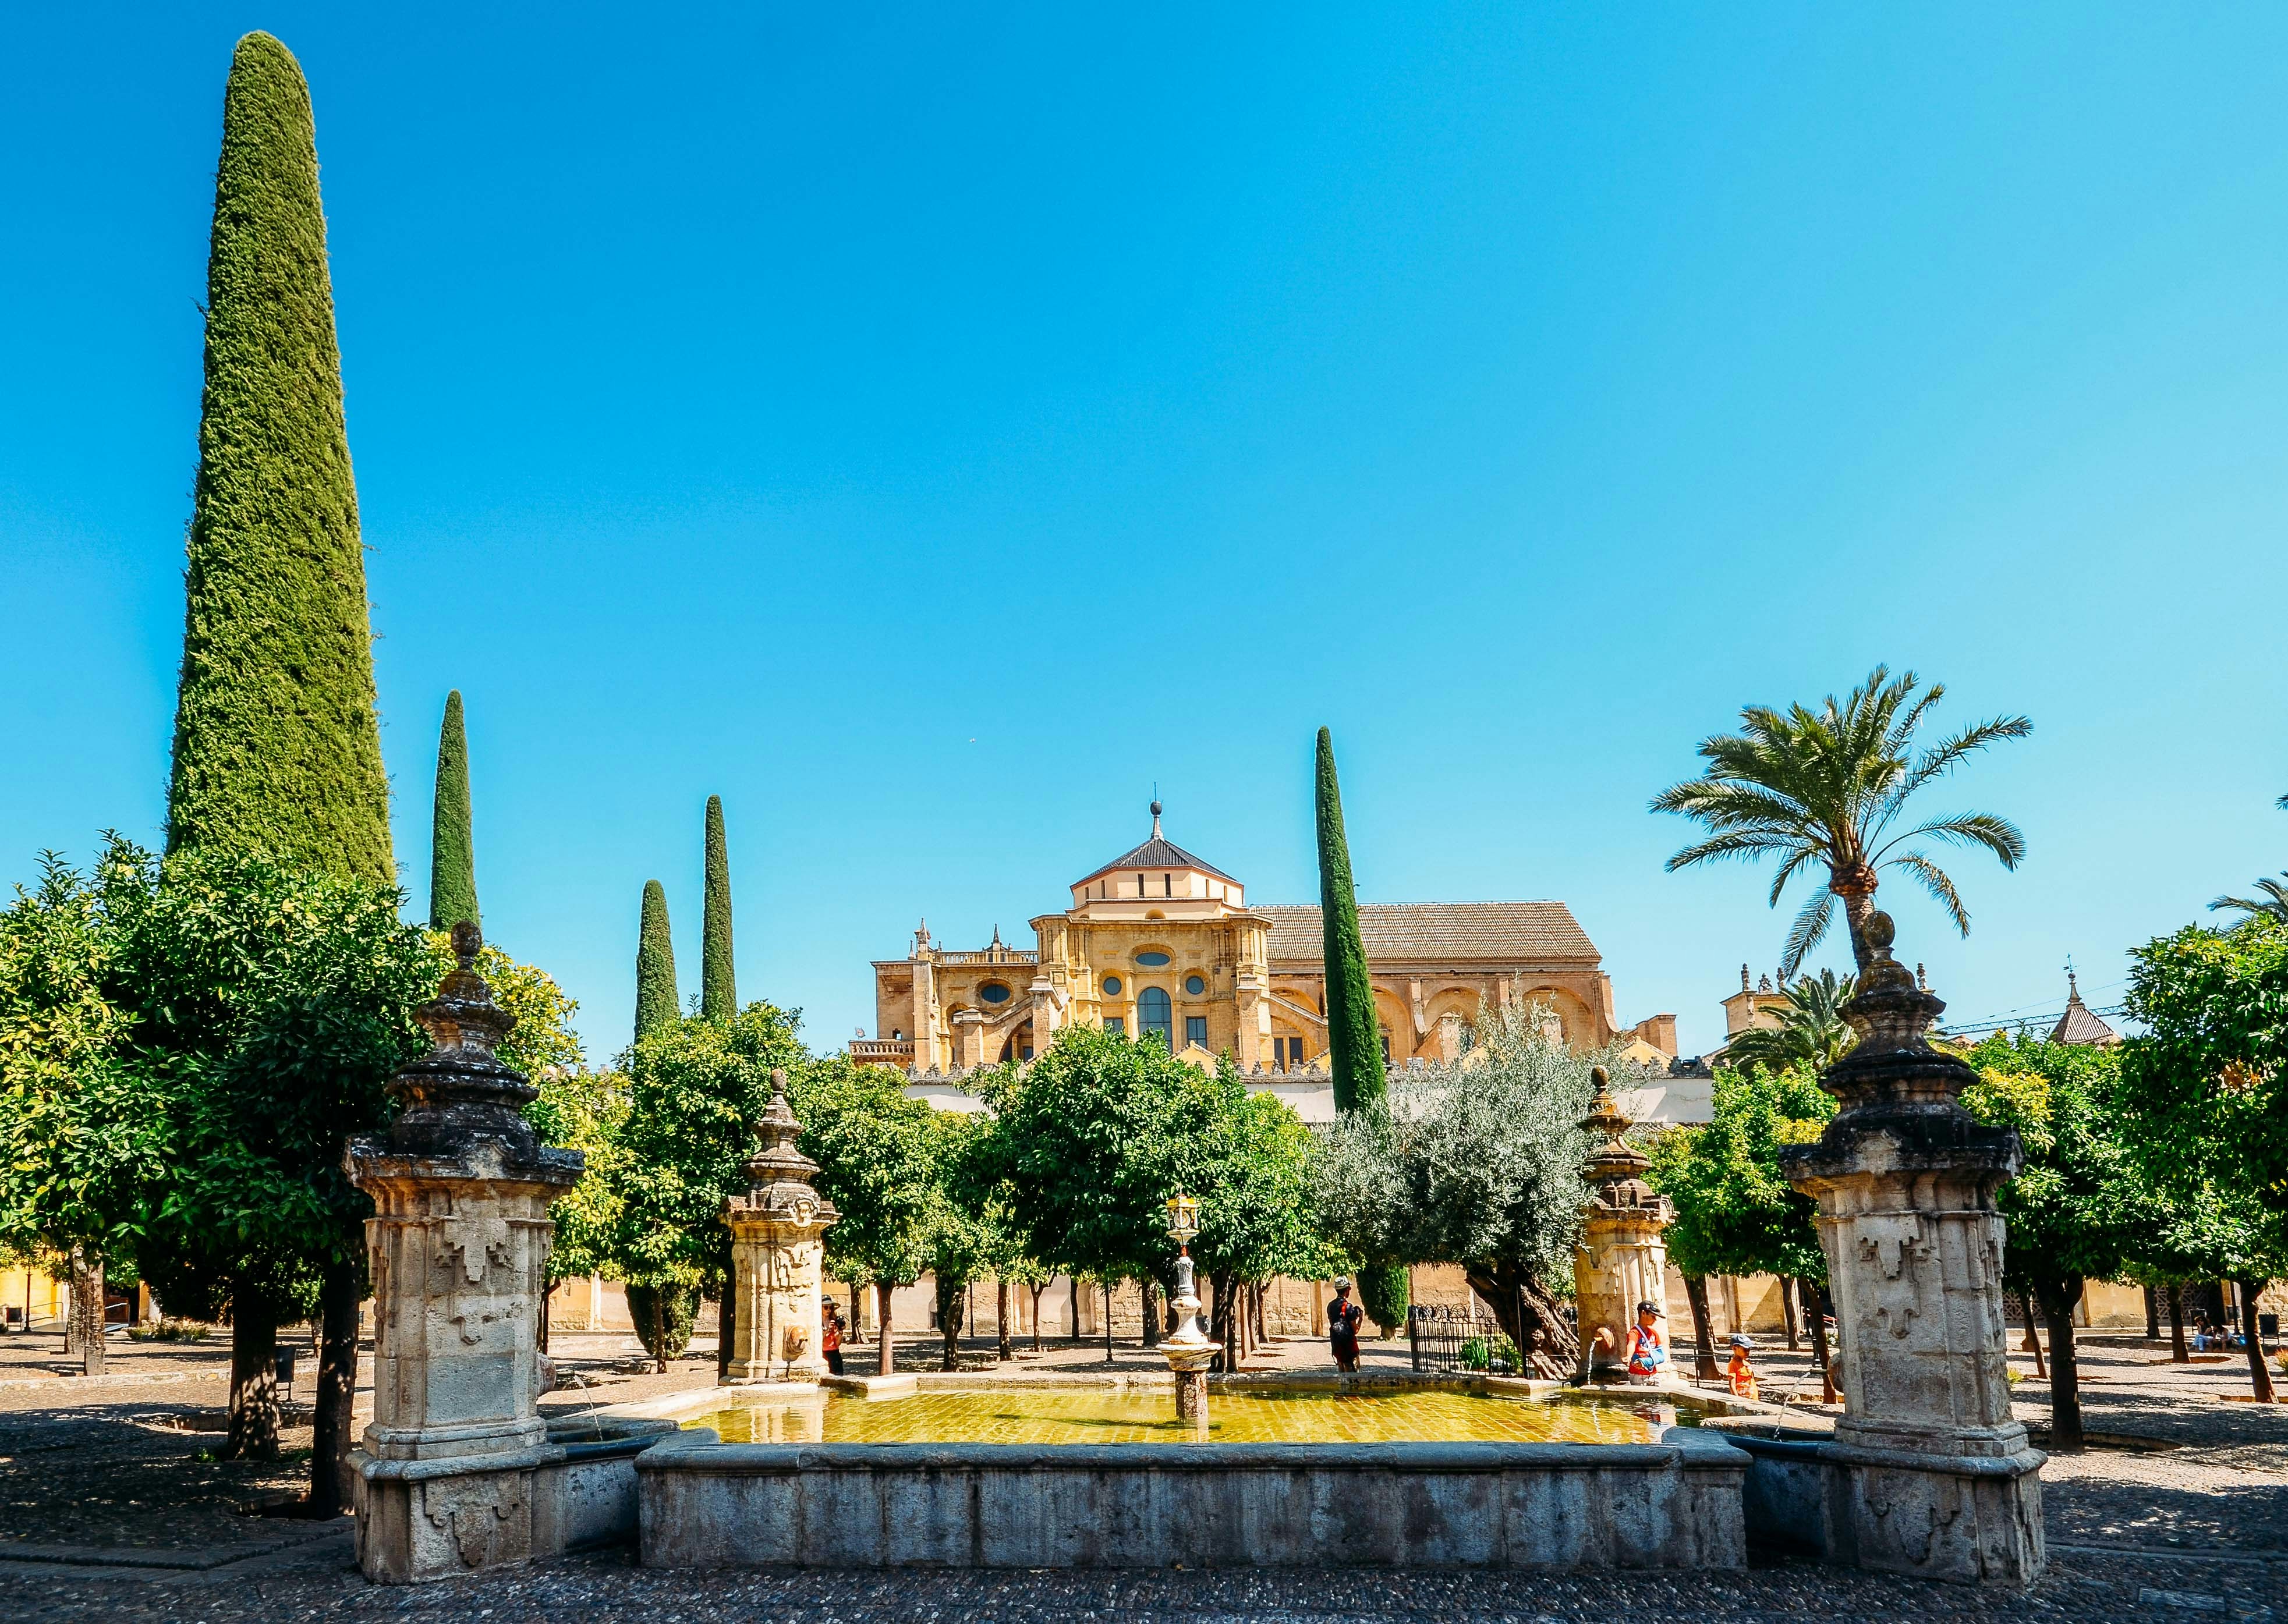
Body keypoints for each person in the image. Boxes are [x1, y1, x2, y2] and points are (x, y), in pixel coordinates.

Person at [1625, 1301, 1668, 1384]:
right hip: (1638, 1376)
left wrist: (1645, 1362)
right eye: (1653, 1317)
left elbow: (1661, 1356)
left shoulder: (1654, 1333)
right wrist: (1629, 1356)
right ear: (1644, 1314)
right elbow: (1632, 1343)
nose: (1655, 1320)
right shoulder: (1634, 1332)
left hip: (1653, 1374)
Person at [1327, 1277, 1363, 1373]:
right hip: (1350, 1349)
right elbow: (1355, 1330)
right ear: (1347, 1290)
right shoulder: (1348, 1307)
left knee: (1342, 1376)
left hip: (1337, 1347)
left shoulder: (1330, 1306)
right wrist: (1360, 1319)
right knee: (1353, 1377)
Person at [1726, 1333, 1759, 1400]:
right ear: (1735, 1348)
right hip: (1743, 1400)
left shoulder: (1747, 1364)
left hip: (1754, 1399)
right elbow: (1732, 1385)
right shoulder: (1733, 1365)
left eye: (1749, 1350)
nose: (1747, 1352)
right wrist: (1738, 1400)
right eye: (1745, 1350)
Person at [821, 1300, 845, 1376]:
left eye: (831, 1308)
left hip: (835, 1353)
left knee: (839, 1377)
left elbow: (838, 1343)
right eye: (826, 1307)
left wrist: (840, 1331)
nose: (829, 1310)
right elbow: (818, 1341)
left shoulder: (834, 1322)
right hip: (823, 1353)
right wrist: (827, 1330)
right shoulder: (817, 1322)